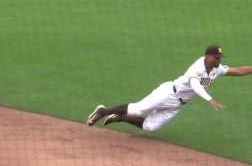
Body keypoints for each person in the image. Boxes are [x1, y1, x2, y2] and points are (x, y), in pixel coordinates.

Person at [87, 45, 252, 131]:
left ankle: (121, 117)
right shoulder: (197, 67)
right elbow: (195, 85)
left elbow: (237, 70)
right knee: (137, 110)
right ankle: (103, 111)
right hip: (167, 94)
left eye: (219, 58)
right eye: (216, 58)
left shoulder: (218, 68)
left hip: (177, 105)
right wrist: (210, 100)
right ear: (208, 56)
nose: (218, 60)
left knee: (150, 127)